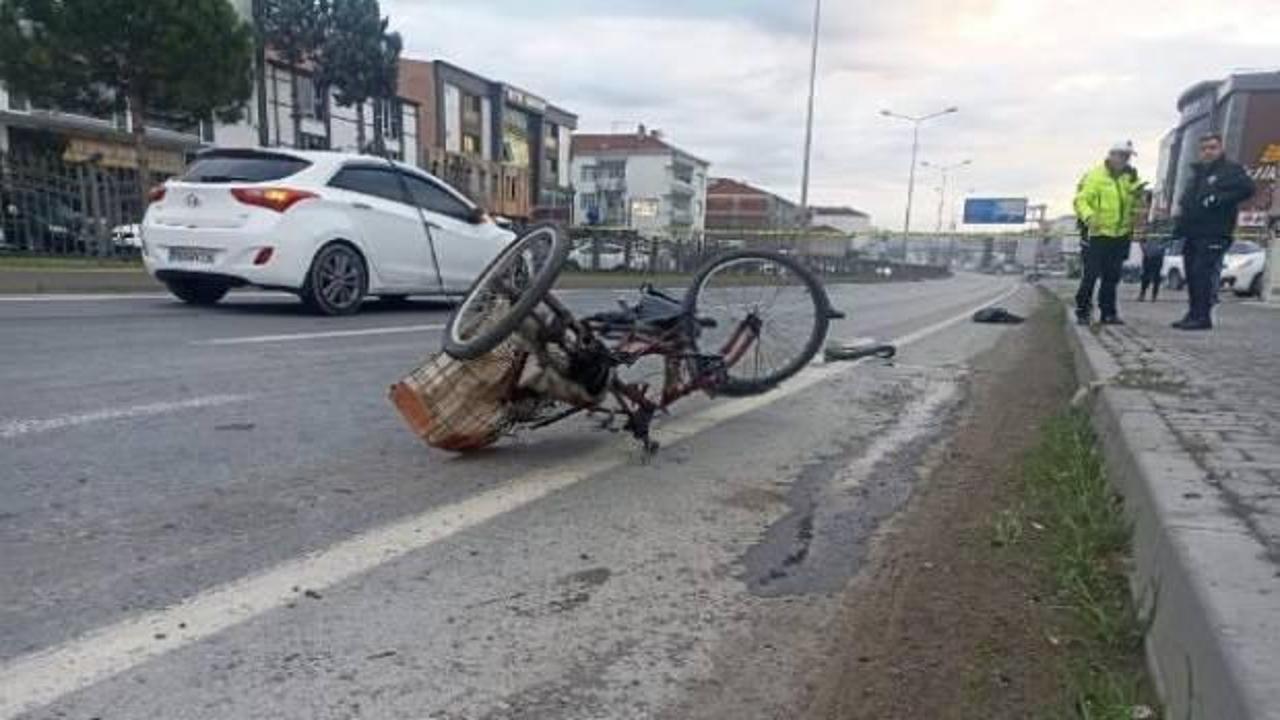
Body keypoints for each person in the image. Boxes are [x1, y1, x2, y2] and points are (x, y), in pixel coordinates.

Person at [1172, 133, 1256, 330]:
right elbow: (1188, 202)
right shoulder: (1197, 174)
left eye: (1212, 147)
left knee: (1203, 273)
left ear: (1220, 149)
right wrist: (1179, 225)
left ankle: (1202, 317)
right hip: (1193, 232)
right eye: (1204, 148)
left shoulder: (1230, 170)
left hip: (1215, 232)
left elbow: (1248, 189)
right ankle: (1193, 313)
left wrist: (1217, 199)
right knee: (1192, 274)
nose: (1208, 152)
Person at [1074, 141, 1144, 325]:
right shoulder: (1095, 176)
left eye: (1127, 156)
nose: (1124, 160)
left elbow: (1136, 203)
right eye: (1121, 155)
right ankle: (1083, 310)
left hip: (1120, 234)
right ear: (1111, 155)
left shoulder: (1130, 177)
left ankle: (1108, 313)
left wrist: (1138, 211)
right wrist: (1089, 217)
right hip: (1096, 234)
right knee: (1090, 274)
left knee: (1112, 277)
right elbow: (1081, 201)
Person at [1137, 233, 1168, 301]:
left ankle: (1151, 296)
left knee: (1153, 277)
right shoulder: (1148, 230)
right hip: (1151, 257)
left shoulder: (1161, 230)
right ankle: (1145, 295)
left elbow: (1166, 243)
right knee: (1147, 277)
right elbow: (1141, 241)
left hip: (1155, 258)